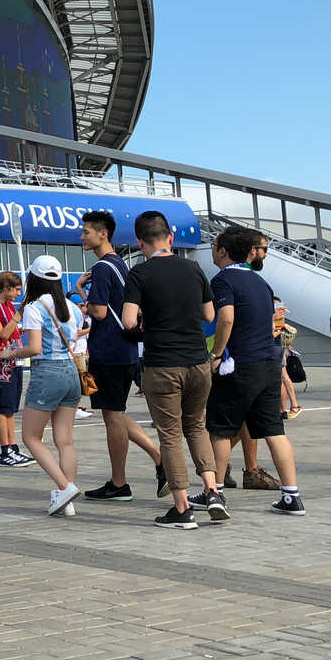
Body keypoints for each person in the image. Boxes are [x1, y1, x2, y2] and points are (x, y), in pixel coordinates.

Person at [121, 211, 218, 529]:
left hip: (163, 365)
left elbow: (129, 321)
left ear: (139, 242)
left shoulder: (139, 274)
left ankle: (182, 508)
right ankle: (212, 491)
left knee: (171, 435)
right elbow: (208, 314)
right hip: (198, 363)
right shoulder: (194, 269)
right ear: (170, 238)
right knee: (197, 427)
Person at [205, 225, 305, 515]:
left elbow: (226, 319)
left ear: (223, 251)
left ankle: (216, 493)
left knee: (220, 429)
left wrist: (217, 353)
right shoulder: (262, 282)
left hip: (239, 365)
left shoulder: (223, 280)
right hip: (268, 364)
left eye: (214, 246)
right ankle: (291, 496)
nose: (212, 250)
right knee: (274, 430)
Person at [78, 211, 164, 502]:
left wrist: (81, 294)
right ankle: (156, 456)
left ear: (103, 234)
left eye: (86, 232)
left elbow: (100, 311)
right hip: (126, 350)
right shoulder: (120, 266)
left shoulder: (103, 268)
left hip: (109, 352)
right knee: (115, 413)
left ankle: (119, 482)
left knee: (112, 417)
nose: (82, 237)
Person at [0, 256, 83, 515]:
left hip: (48, 372)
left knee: (31, 437)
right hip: (71, 373)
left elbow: (33, 348)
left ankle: (64, 488)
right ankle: (68, 497)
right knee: (65, 440)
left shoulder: (34, 307)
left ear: (33, 277)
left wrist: (10, 354)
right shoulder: (72, 307)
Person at [0, 273, 33, 467]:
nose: (19, 293)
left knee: (11, 406)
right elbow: (2, 332)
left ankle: (13, 446)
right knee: (3, 406)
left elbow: (11, 331)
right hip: (0, 362)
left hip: (13, 360)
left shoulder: (9, 307)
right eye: (16, 289)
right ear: (5, 288)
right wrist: (18, 315)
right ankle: (5, 451)